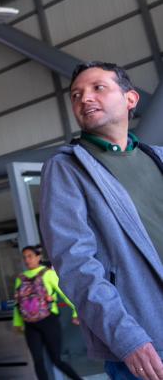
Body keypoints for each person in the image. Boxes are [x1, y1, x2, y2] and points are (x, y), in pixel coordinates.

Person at [39, 61, 163, 380]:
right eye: (76, 94)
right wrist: (127, 337)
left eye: (98, 88)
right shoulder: (68, 167)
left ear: (131, 99)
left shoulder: (157, 158)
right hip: (146, 341)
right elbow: (75, 262)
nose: (85, 98)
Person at [13, 245, 82, 380]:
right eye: (24, 257)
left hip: (48, 321)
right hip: (30, 325)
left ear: (38, 257)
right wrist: (17, 323)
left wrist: (76, 312)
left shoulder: (48, 274)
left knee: (56, 359)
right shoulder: (20, 278)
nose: (27, 260)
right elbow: (17, 303)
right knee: (38, 361)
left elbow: (65, 293)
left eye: (30, 256)